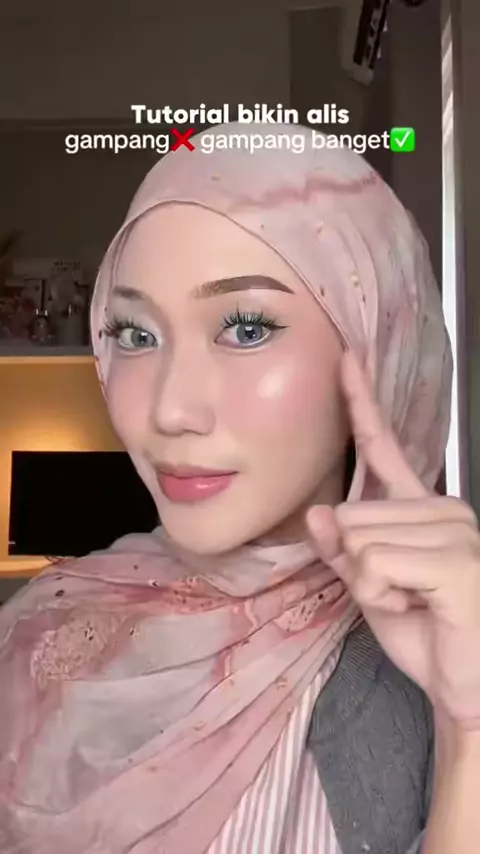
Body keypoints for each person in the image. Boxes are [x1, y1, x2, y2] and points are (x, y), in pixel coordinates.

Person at [0, 123, 479, 854]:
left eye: (247, 328)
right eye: (135, 334)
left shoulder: (440, 654)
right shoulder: (34, 636)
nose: (170, 410)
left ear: (378, 347)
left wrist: (470, 731)